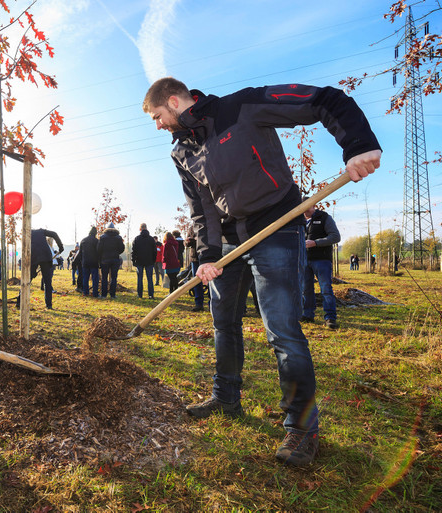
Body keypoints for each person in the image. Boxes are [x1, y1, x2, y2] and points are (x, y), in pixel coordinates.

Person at [143, 77, 381, 466]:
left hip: (276, 227)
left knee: (282, 330)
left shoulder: (241, 107)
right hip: (230, 244)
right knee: (224, 323)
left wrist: (358, 145)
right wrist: (207, 255)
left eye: (157, 116)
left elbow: (325, 100)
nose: (158, 125)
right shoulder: (181, 150)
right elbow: (201, 208)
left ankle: (302, 429)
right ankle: (226, 398)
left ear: (173, 101)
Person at [301, 200, 341, 329]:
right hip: (304, 260)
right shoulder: (298, 221)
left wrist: (316, 243)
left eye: (307, 207)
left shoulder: (324, 218)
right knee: (306, 289)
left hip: (322, 260)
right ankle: (307, 315)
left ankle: (330, 318)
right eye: (302, 208)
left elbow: (335, 237)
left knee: (326, 289)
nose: (305, 211)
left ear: (314, 205)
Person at [16, 228, 64, 310]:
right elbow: (54, 233)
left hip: (34, 257)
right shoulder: (40, 231)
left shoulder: (26, 235)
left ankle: (19, 302)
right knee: (47, 282)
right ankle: (49, 305)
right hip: (45, 256)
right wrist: (61, 247)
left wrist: (32, 270)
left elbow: (25, 251)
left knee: (27, 280)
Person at [97, 222, 125, 298]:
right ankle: (113, 294)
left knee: (104, 278)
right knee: (114, 277)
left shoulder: (102, 237)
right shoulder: (118, 237)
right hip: (115, 260)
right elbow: (122, 248)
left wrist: (102, 255)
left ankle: (104, 294)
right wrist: (117, 253)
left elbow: (99, 249)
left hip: (105, 260)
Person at [131, 223, 157, 299]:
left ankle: (140, 294)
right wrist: (153, 260)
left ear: (140, 229)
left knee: (140, 278)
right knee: (150, 279)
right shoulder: (151, 239)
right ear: (146, 228)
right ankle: (151, 295)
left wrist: (133, 261)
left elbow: (133, 251)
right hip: (149, 261)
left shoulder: (137, 239)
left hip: (139, 262)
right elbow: (155, 251)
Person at [184, 225, 205, 312]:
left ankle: (213, 303)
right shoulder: (191, 229)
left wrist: (197, 239)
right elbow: (186, 243)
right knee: (196, 281)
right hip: (195, 258)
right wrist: (187, 241)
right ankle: (199, 304)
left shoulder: (207, 224)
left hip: (206, 257)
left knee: (212, 281)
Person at [79, 226, 100, 297]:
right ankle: (95, 293)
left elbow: (80, 253)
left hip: (85, 262)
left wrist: (82, 261)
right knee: (95, 279)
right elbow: (99, 252)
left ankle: (85, 292)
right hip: (94, 262)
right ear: (95, 233)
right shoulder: (96, 241)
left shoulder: (83, 240)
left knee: (85, 278)